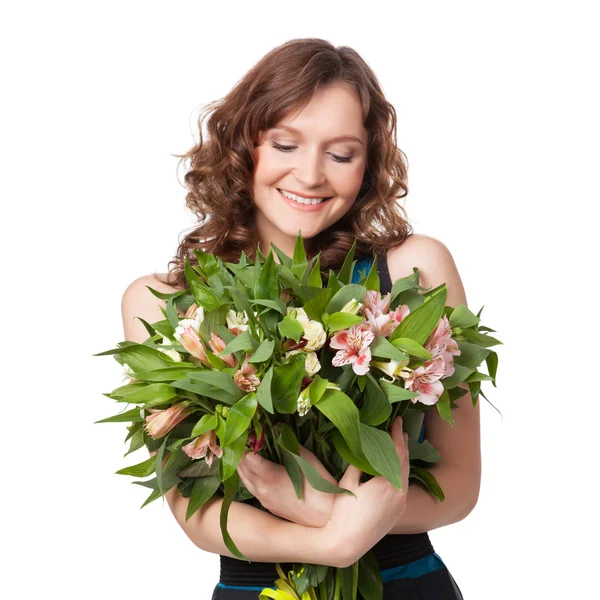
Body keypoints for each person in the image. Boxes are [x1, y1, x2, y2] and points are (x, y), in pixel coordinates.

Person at [121, 38, 479, 599]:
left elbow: (460, 487)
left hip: (407, 586)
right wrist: (332, 537)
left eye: (341, 154)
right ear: (245, 146)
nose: (310, 175)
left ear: (370, 162)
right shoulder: (161, 302)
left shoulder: (416, 270)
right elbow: (195, 509)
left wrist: (317, 504)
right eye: (285, 144)